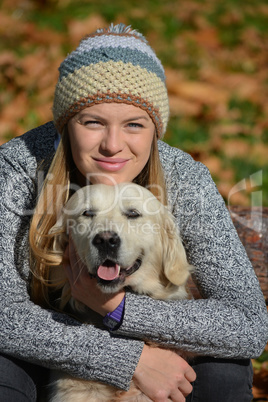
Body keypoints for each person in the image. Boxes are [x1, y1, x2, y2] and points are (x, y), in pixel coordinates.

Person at [0, 23, 267, 402]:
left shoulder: (183, 177)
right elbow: (3, 316)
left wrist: (117, 309)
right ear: (65, 125)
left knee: (223, 372)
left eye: (134, 125)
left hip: (151, 326)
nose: (112, 145)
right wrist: (130, 359)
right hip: (43, 342)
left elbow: (248, 324)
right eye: (92, 122)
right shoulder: (16, 169)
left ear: (154, 130)